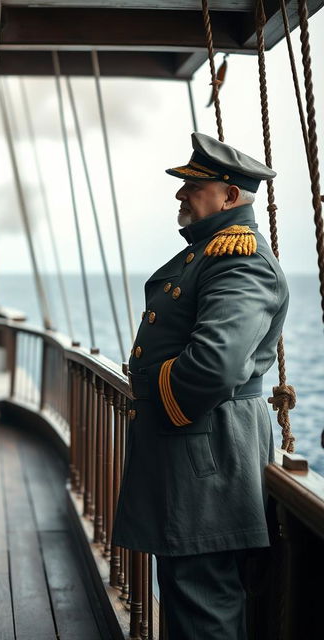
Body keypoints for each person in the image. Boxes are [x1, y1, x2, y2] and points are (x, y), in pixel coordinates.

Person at [112, 132, 289, 640]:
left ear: (230, 196)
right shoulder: (210, 254)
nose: (180, 195)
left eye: (194, 185)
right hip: (196, 452)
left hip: (205, 456)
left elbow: (214, 367)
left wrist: (150, 381)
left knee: (202, 604)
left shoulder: (241, 260)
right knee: (188, 592)